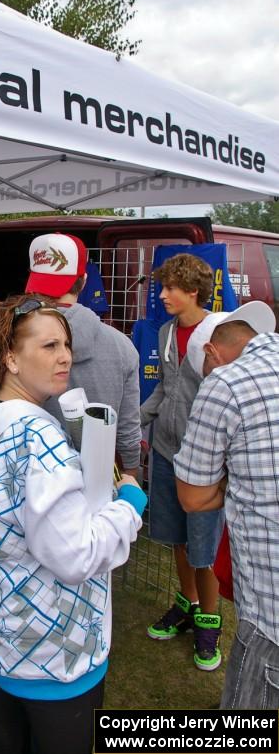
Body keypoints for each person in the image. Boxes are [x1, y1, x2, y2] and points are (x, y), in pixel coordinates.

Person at [0, 294, 147, 754]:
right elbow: (76, 554)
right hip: (54, 655)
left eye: (67, 345)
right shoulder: (39, 439)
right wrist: (128, 507)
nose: (66, 357)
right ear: (11, 359)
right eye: (50, 346)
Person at [174, 301, 278, 708]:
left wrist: (241, 485)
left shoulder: (227, 383)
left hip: (271, 618)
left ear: (211, 353)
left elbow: (194, 495)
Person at [140, 252, 225, 671]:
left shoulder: (219, 333)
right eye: (162, 287)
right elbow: (166, 390)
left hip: (205, 460)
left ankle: (209, 622)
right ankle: (188, 605)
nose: (163, 295)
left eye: (171, 288)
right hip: (165, 451)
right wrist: (134, 420)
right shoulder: (166, 332)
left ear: (193, 291)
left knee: (203, 546)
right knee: (176, 537)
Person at [25, 232, 142, 477]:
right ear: (84, 280)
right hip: (97, 480)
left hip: (29, 480)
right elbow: (128, 430)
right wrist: (131, 478)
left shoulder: (9, 339)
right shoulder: (121, 346)